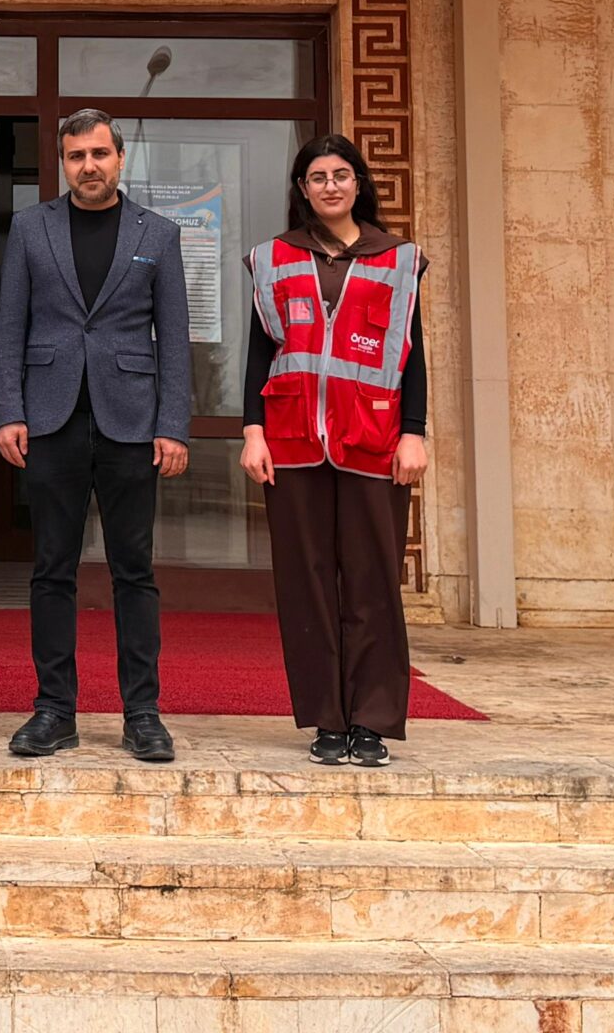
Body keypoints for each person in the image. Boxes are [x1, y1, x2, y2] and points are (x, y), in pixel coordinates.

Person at [0, 108, 192, 764]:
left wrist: (172, 424)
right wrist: (8, 412)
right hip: (50, 419)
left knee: (134, 571)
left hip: (131, 421)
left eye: (100, 154)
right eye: (77, 156)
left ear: (120, 157)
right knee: (53, 569)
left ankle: (143, 713)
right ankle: (54, 710)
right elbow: (9, 328)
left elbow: (175, 339)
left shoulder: (156, 234)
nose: (89, 167)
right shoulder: (30, 227)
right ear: (63, 161)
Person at [240, 132, 430, 769]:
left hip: (375, 440)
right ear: (302, 188)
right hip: (291, 442)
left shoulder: (398, 258)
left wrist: (415, 431)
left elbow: (414, 353)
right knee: (307, 583)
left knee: (374, 583)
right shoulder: (274, 258)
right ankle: (325, 719)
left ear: (358, 183)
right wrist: (252, 431)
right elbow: (259, 352)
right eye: (317, 176)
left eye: (340, 174)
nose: (329, 185)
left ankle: (371, 720)